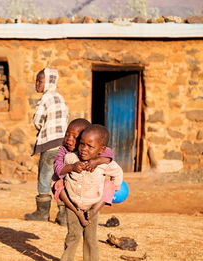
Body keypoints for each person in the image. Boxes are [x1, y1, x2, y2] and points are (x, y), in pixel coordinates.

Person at [60, 124, 123, 261]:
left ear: (101, 150)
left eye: (90, 146)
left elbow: (117, 174)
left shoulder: (104, 164)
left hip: (92, 206)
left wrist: (111, 190)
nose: (84, 149)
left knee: (90, 239)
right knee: (73, 236)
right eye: (82, 144)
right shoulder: (71, 159)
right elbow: (61, 171)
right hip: (73, 205)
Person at [52, 118, 115, 226]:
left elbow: (110, 155)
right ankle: (74, 211)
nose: (69, 140)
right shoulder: (64, 150)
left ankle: (95, 210)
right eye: (67, 135)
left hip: (90, 188)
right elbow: (58, 169)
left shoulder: (91, 147)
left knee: (109, 186)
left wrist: (96, 161)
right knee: (56, 184)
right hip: (71, 187)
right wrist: (72, 167)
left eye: (74, 137)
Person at [25, 68, 69, 222]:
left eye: (39, 81)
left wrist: (41, 129)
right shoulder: (60, 98)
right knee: (60, 176)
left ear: (49, 82)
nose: (36, 84)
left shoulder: (45, 98)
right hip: (63, 144)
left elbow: (37, 120)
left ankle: (42, 213)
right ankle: (63, 214)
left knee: (44, 176)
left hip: (49, 143)